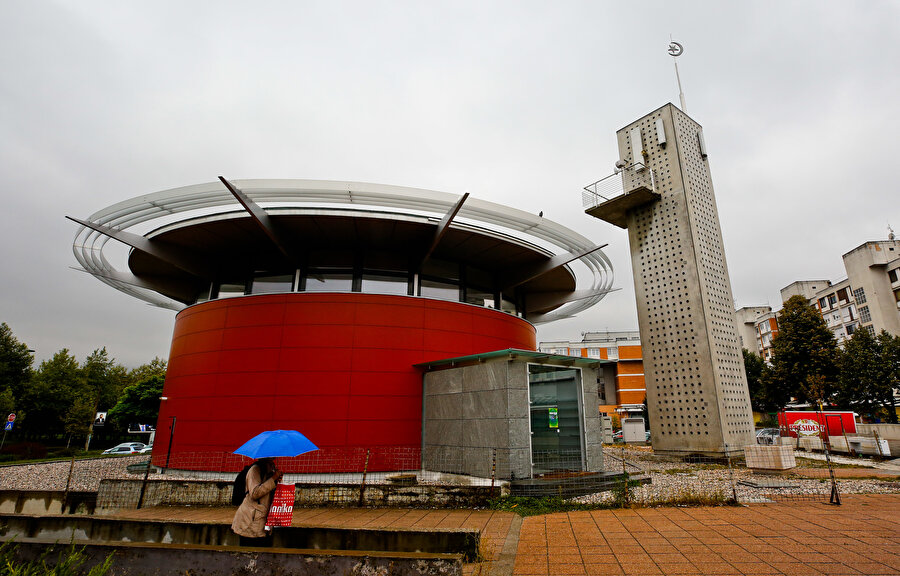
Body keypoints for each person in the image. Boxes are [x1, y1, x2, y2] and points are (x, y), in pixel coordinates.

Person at [231, 457, 284, 546]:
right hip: (250, 521)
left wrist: (276, 481)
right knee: (249, 552)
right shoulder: (255, 469)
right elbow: (255, 493)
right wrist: (273, 478)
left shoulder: (270, 468)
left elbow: (268, 491)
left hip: (263, 520)